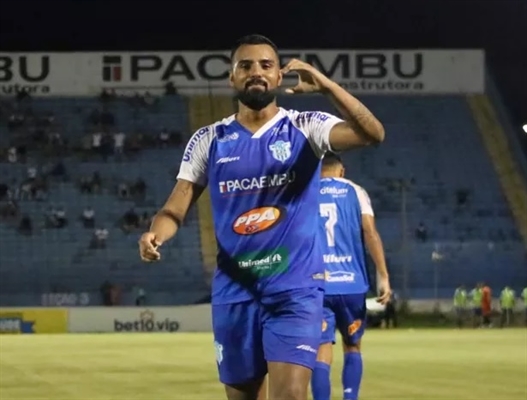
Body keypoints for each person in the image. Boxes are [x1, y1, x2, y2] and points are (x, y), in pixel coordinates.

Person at [138, 34, 385, 400]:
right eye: (246, 65)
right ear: (232, 77)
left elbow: (373, 134)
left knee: (290, 396)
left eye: (266, 65)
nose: (256, 72)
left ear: (279, 75)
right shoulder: (210, 139)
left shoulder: (306, 126)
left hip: (294, 288)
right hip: (235, 290)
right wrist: (155, 234)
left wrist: (328, 87)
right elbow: (176, 207)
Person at [310, 153, 391, 400]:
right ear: (341, 171)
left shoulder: (306, 192)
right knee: (352, 345)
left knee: (320, 350)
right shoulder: (356, 191)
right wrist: (383, 275)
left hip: (318, 285)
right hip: (352, 283)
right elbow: (370, 232)